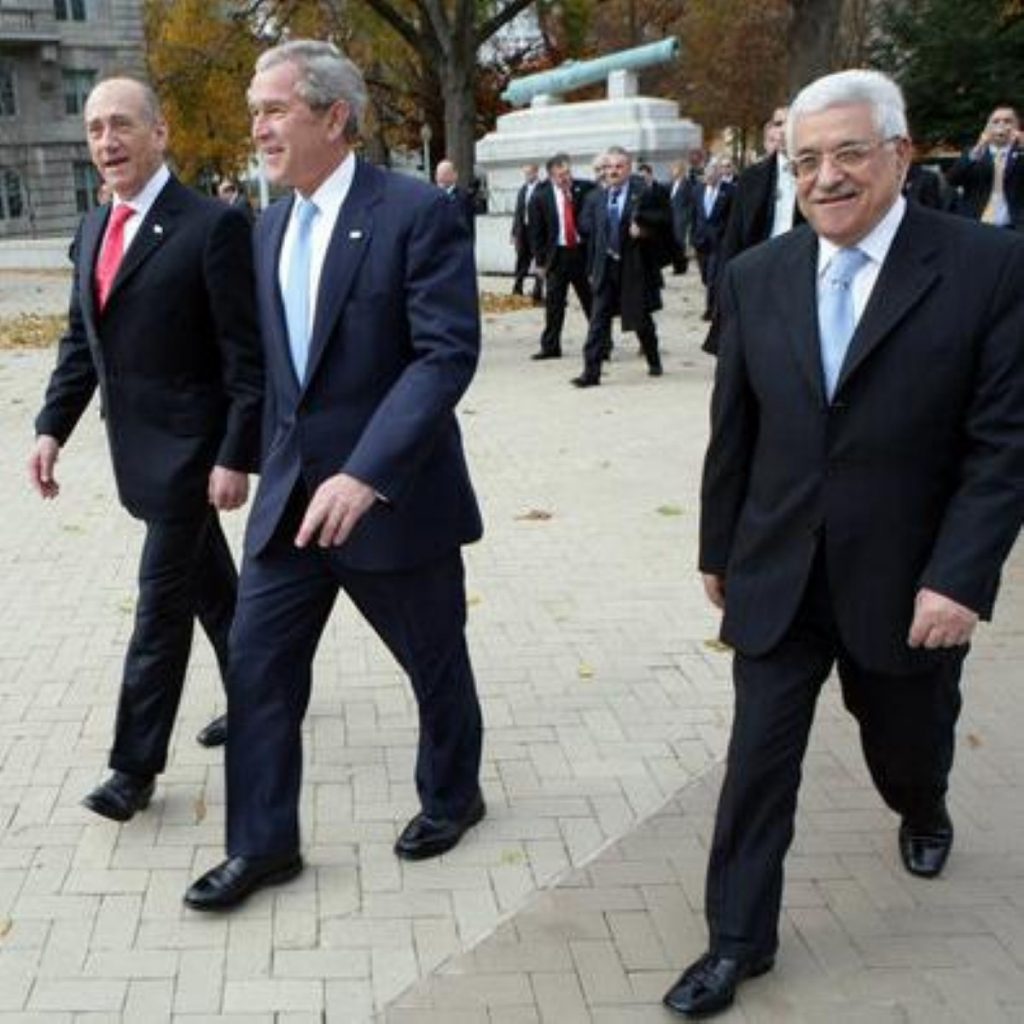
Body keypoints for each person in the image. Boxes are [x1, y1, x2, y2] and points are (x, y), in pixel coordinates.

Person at [663, 69, 1024, 1018]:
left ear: (900, 155)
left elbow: (1003, 446)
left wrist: (960, 580)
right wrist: (717, 548)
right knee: (756, 763)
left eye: (848, 153)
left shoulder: (987, 269)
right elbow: (732, 427)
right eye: (806, 159)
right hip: (779, 572)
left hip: (910, 584)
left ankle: (924, 804)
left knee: (904, 742)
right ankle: (738, 941)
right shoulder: (757, 275)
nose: (826, 177)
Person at [183, 40, 486, 911]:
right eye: (254, 112)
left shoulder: (417, 212)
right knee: (257, 668)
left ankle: (453, 795)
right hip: (288, 504)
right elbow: (275, 371)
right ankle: (263, 846)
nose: (258, 128)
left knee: (434, 664)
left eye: (273, 109)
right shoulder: (269, 224)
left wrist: (366, 474)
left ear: (335, 116)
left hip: (392, 501)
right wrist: (239, 453)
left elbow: (442, 356)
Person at [28, 77, 263, 822]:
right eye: (96, 129)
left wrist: (235, 454)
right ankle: (261, 691)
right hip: (138, 455)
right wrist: (50, 428)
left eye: (122, 125)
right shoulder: (95, 228)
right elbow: (80, 343)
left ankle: (133, 769)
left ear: (160, 133)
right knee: (212, 589)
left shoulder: (211, 226)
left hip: (193, 457)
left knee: (159, 610)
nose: (107, 142)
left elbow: (244, 357)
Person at [572, 145, 672, 387]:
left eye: (618, 166)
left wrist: (644, 231)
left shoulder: (643, 192)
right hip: (605, 267)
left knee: (640, 319)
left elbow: (664, 221)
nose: (613, 171)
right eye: (608, 167)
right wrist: (591, 269)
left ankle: (653, 358)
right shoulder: (596, 197)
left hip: (632, 268)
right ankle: (591, 372)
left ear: (628, 168)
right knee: (597, 322)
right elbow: (589, 233)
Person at [527, 152, 594, 361]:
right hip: (557, 256)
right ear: (551, 176)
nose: (566, 178)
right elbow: (536, 233)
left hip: (581, 254)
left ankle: (602, 343)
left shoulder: (585, 189)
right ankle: (551, 346)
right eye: (560, 175)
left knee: (590, 301)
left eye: (568, 173)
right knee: (554, 304)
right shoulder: (540, 197)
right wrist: (540, 262)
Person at [946, 106, 1022, 230]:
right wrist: (978, 148)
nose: (1001, 125)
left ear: (1017, 127)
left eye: (1008, 121)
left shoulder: (1020, 154)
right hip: (978, 225)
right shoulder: (974, 153)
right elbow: (952, 179)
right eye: (996, 121)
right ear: (987, 127)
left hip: (1014, 228)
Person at [690, 157, 734, 321]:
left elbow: (732, 218)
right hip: (701, 242)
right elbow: (694, 216)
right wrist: (692, 238)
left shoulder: (730, 191)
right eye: (706, 173)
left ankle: (711, 310)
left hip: (720, 242)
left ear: (719, 174)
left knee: (713, 277)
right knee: (705, 277)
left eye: (712, 172)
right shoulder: (697, 190)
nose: (709, 176)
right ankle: (715, 303)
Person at [510, 162, 543, 303]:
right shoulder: (523, 190)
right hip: (523, 230)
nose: (527, 176)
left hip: (537, 231)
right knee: (521, 259)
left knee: (539, 261)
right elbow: (518, 212)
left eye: (529, 173)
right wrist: (513, 233)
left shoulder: (543, 189)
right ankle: (518, 287)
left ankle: (538, 291)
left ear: (536, 173)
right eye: (525, 173)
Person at [435, 157, 476, 238]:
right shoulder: (430, 197)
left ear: (455, 175)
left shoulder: (464, 197)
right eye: (439, 174)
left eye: (445, 174)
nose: (441, 177)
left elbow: (468, 223)